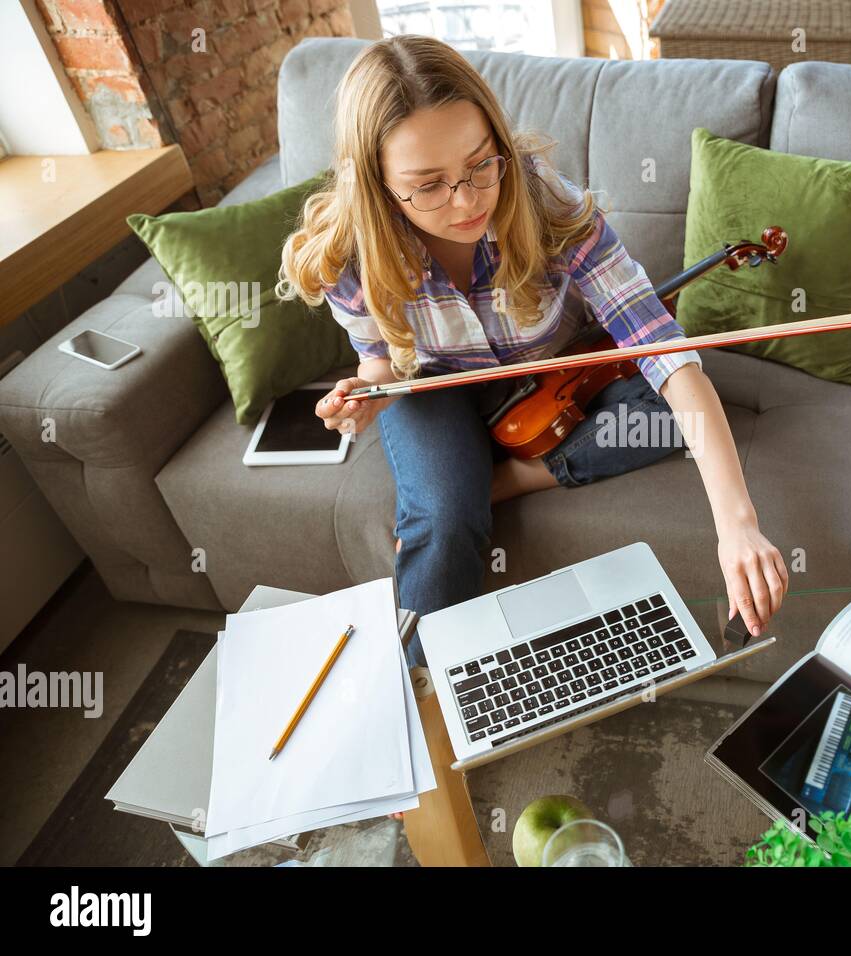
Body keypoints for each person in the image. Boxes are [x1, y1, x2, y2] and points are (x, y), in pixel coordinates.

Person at [278, 35, 786, 672]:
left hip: (562, 367)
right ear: (376, 183)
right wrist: (367, 396)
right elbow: (380, 359)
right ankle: (421, 698)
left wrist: (737, 525)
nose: (466, 202)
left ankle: (504, 478)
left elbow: (665, 350)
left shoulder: (546, 201)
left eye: (480, 164)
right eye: (427, 186)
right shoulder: (346, 252)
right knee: (441, 519)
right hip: (432, 387)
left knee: (674, 414)